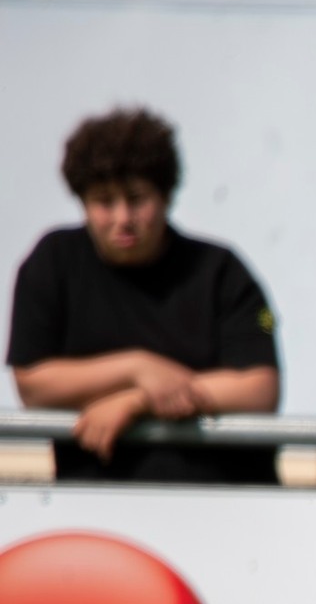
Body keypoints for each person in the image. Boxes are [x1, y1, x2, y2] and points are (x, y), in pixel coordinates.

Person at [8, 107, 281, 483]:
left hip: (223, 503)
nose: (123, 218)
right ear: (83, 203)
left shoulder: (221, 270)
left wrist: (138, 401)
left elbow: (259, 388)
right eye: (104, 201)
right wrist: (137, 368)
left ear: (166, 197)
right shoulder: (53, 262)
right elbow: (33, 382)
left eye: (136, 199)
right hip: (96, 510)